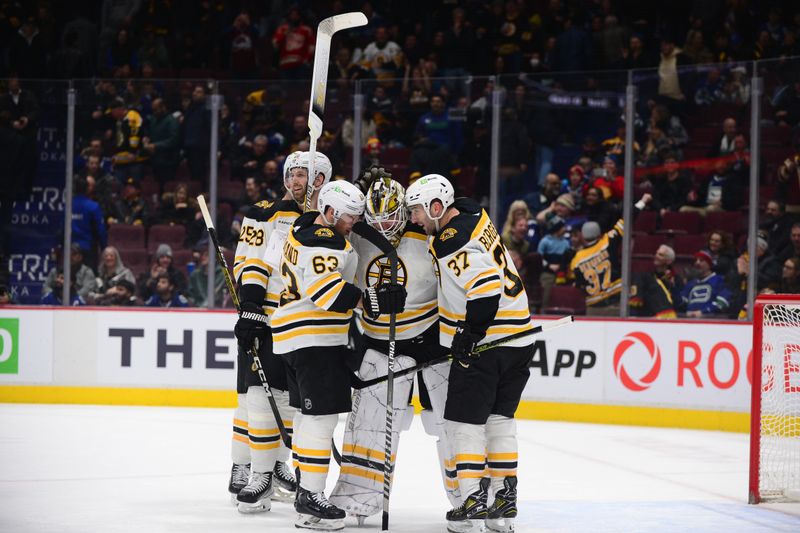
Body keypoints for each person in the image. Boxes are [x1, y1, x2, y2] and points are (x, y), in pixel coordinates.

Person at [270, 180, 403, 531]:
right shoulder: (324, 239)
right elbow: (325, 291)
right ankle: (311, 497)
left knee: (305, 416)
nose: (354, 223)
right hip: (314, 338)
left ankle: (305, 495)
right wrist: (373, 300)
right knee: (321, 419)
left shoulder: (304, 226)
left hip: (292, 338)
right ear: (328, 213)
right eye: (348, 216)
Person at [406, 174, 534, 533]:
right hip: (519, 338)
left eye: (417, 210)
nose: (414, 219)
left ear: (436, 207)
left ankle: (472, 503)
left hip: (488, 344)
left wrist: (471, 332)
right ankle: (502, 505)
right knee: (500, 421)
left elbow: (485, 286)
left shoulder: (450, 240)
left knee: (464, 425)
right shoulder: (472, 213)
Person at [330, 172, 457, 520]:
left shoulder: (428, 234)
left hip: (431, 339)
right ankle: (356, 498)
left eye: (392, 216)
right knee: (370, 422)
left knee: (448, 420)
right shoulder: (355, 236)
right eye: (377, 218)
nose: (385, 225)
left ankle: (470, 496)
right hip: (378, 339)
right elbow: (321, 224)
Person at [229, 151, 331, 513]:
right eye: (294, 173)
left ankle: (278, 465)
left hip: (309, 325)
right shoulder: (264, 213)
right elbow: (254, 261)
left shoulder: (326, 219)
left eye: (307, 175)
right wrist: (253, 306)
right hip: (269, 320)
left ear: (322, 179)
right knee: (257, 399)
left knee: (295, 405)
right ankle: (258, 474)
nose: (298, 180)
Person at [569, 194, 652, 316]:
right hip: (615, 302)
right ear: (599, 233)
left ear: (583, 236)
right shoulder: (608, 240)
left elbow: (577, 284)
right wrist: (643, 201)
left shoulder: (577, 259)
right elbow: (627, 220)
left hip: (593, 308)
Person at [629, 245, 679, 319]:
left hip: (666, 318)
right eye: (656, 253)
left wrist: (672, 286)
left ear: (669, 261)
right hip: (647, 316)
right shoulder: (648, 277)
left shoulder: (676, 278)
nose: (656, 256)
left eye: (660, 255)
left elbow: (679, 303)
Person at [679, 251, 732, 318]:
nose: (697, 263)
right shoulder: (691, 284)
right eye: (696, 260)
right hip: (689, 322)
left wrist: (704, 312)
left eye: (701, 260)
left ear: (709, 264)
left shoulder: (720, 280)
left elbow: (722, 302)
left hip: (710, 322)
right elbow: (681, 303)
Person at [72, 175, 108, 269]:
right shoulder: (93, 206)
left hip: (71, 249)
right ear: (87, 189)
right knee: (90, 276)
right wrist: (104, 247)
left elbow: (62, 228)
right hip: (88, 248)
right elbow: (101, 230)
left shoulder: (68, 205)